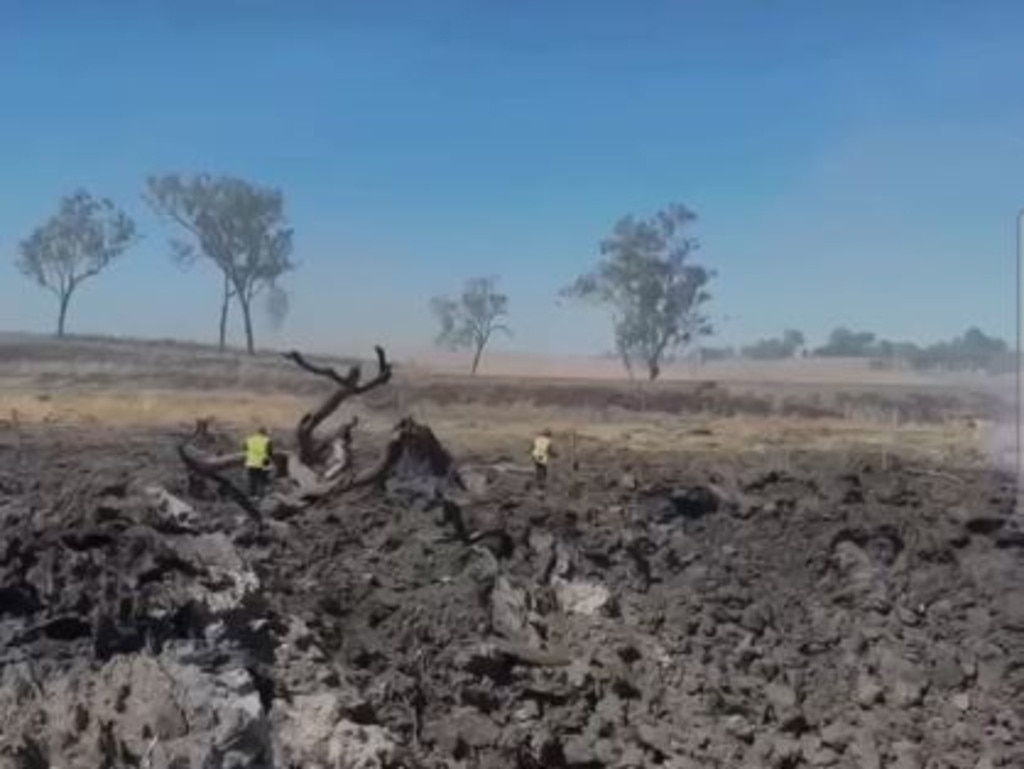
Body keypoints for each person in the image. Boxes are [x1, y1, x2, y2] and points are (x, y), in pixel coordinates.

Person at [244, 426, 274, 499]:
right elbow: (270, 453)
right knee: (263, 480)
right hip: (263, 462)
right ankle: (262, 496)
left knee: (252, 480)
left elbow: (245, 449)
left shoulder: (249, 439)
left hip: (251, 462)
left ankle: (252, 496)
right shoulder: (267, 440)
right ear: (264, 433)